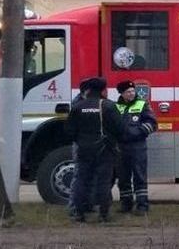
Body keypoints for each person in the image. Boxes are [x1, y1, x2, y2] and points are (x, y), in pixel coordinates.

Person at [65, 76, 123, 223]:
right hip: (104, 150)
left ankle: (78, 213)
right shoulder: (108, 106)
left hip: (83, 149)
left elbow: (69, 131)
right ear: (103, 90)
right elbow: (120, 128)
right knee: (103, 181)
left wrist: (81, 140)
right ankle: (103, 214)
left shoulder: (78, 107)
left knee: (80, 180)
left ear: (88, 90)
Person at [114, 80, 157, 214]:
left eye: (133, 91)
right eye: (128, 92)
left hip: (138, 146)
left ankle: (142, 205)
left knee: (140, 176)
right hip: (121, 147)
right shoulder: (116, 107)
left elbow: (152, 124)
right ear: (122, 93)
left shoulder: (143, 104)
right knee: (123, 177)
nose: (132, 93)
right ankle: (126, 204)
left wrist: (136, 133)